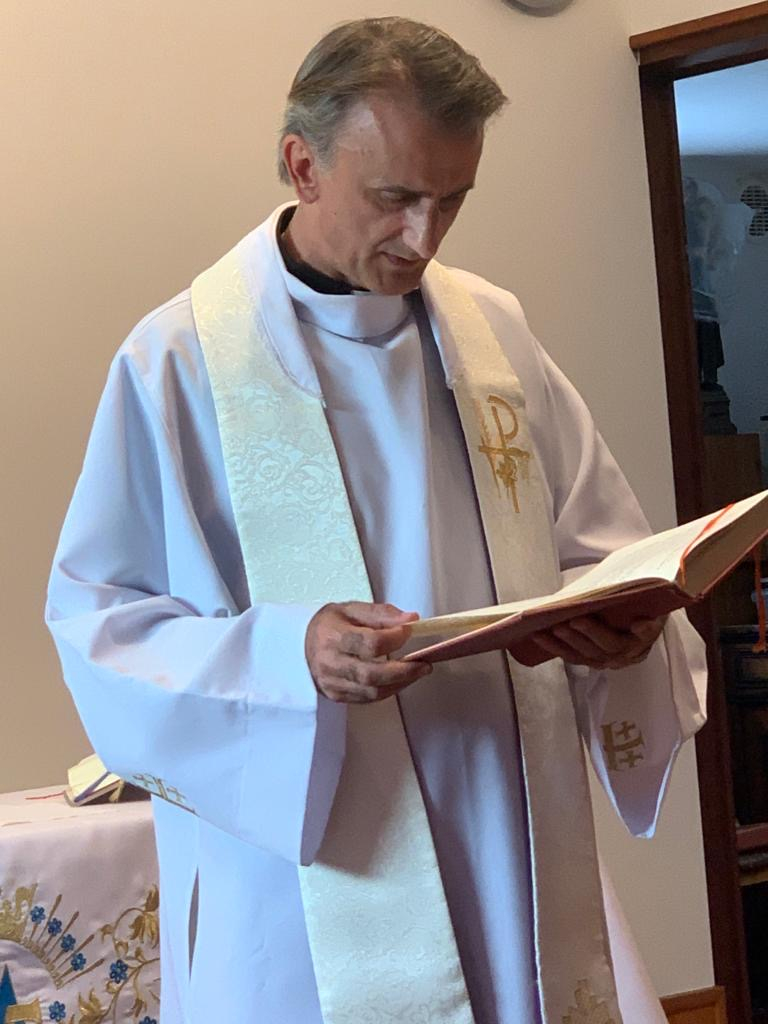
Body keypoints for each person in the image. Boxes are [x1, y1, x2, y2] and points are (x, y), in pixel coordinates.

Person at [46, 17, 707, 1024]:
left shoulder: (494, 332)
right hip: (309, 875)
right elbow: (102, 626)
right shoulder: (177, 362)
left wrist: (623, 627)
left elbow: (600, 549)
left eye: (453, 199)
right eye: (395, 198)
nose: (424, 239)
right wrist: (290, 655)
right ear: (301, 165)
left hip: (511, 828)